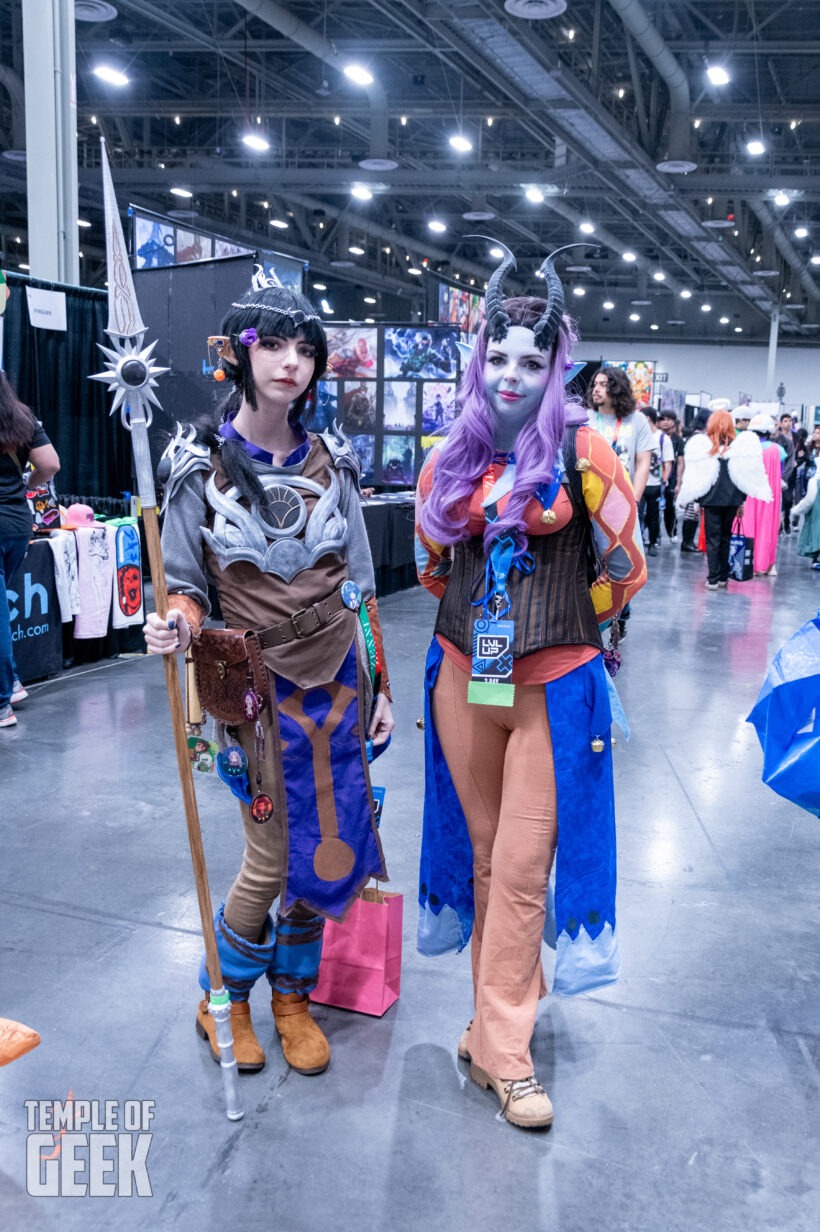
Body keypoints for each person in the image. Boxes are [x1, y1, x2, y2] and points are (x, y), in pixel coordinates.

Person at [415, 246, 646, 1130]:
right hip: (464, 681)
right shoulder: (449, 460)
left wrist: (566, 615)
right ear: (481, 362)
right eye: (499, 358)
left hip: (557, 687)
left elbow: (625, 567)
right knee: (480, 863)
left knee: (518, 873)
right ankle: (488, 1027)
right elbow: (437, 569)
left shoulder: (587, 452)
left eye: (532, 361)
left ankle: (505, 1052)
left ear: (557, 369)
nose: (512, 375)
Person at [144, 282, 394, 1075]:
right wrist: (174, 623)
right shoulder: (198, 466)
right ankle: (225, 995)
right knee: (268, 855)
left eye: (306, 349)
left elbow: (360, 585)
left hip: (338, 680)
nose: (292, 363)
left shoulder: (335, 460)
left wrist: (380, 683)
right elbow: (183, 584)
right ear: (238, 352)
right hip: (255, 690)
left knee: (331, 840)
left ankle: (294, 996)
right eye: (274, 345)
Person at [0, 371, 60, 729]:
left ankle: (1, 702)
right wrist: (26, 484)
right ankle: (14, 682)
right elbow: (50, 464)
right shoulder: (22, 417)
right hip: (16, 523)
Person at [675, 410, 772, 589]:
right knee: (726, 537)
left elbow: (698, 477)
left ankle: (712, 578)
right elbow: (742, 477)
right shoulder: (739, 448)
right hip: (732, 500)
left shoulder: (704, 448)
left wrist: (697, 501)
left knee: (713, 540)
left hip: (710, 500)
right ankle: (722, 577)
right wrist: (741, 501)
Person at [743, 414, 783, 577]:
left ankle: (747, 561)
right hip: (769, 496)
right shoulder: (776, 450)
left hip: (749, 494)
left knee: (748, 525)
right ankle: (766, 564)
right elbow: (779, 475)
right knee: (767, 526)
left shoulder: (746, 449)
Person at [641, 409, 674, 556]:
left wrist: (664, 480)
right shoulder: (639, 436)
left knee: (654, 516)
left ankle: (653, 542)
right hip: (638, 483)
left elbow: (668, 462)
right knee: (637, 515)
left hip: (655, 484)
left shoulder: (662, 439)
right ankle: (639, 542)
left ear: (647, 419)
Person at [657, 409, 684, 541]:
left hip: (671, 479)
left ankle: (672, 532)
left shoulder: (678, 440)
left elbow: (680, 463)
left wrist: (678, 483)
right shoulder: (655, 437)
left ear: (674, 422)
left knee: (669, 507)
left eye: (669, 419)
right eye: (663, 419)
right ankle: (654, 536)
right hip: (655, 476)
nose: (665, 422)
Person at [772, 412, 796, 534]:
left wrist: (782, 477)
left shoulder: (788, 441)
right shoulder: (765, 439)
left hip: (784, 478)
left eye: (789, 420)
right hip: (767, 479)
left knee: (786, 501)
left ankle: (785, 522)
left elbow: (790, 461)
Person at [793, 465, 820, 568]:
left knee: (817, 530)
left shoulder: (815, 481)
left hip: (816, 514)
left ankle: (816, 558)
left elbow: (809, 501)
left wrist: (796, 510)